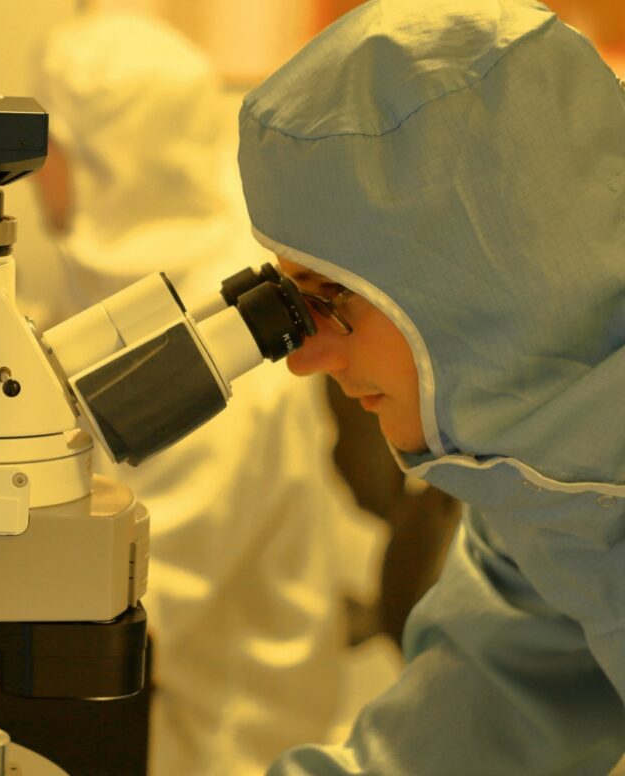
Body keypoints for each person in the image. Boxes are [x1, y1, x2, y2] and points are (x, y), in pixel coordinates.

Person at [235, 0, 625, 772]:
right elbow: (458, 737)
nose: (305, 358)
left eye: (330, 296)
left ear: (490, 272)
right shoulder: (544, 491)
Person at [28, 12, 362, 776]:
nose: (33, 170)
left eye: (48, 145)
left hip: (216, 742)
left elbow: (120, 609)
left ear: (104, 156)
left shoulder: (222, 342)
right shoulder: (139, 277)